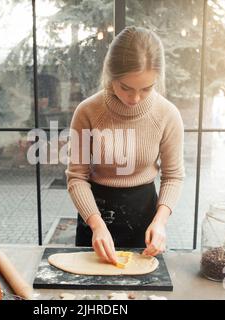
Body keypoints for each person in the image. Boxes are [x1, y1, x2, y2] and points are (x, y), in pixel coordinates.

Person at [65, 26, 185, 265]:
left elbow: (173, 176)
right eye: (126, 88)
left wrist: (160, 222)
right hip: (94, 211)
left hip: (144, 215)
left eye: (146, 88)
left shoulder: (168, 114)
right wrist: (96, 224)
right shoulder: (87, 111)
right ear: (111, 76)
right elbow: (76, 177)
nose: (135, 99)